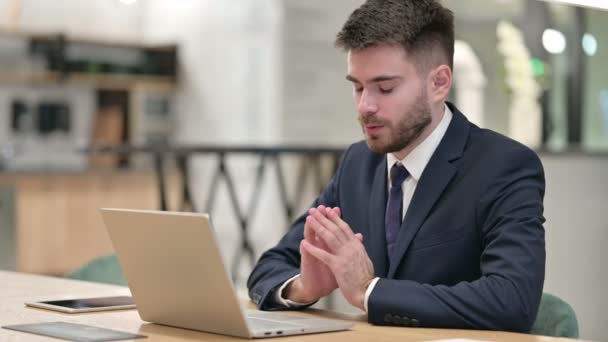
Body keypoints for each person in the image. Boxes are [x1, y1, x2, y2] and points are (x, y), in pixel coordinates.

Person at [247, 0, 545, 333]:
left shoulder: (504, 166)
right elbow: (268, 268)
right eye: (357, 87)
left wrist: (369, 291)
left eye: (385, 88)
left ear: (439, 83)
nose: (365, 106)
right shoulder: (358, 164)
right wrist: (304, 286)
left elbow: (513, 300)